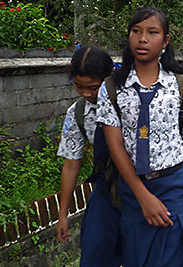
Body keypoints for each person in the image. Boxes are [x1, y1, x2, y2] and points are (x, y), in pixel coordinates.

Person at [96, 6, 183, 267]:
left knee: (172, 257)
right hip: (134, 189)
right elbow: (116, 147)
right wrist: (143, 197)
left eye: (152, 32)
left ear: (165, 41)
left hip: (176, 186)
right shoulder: (113, 88)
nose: (143, 39)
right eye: (136, 31)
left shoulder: (182, 85)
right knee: (139, 258)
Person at [56, 45, 121, 267]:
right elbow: (71, 164)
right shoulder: (78, 113)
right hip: (107, 188)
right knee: (95, 253)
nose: (86, 93)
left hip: (145, 184)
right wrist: (63, 214)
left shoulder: (131, 100)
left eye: (93, 87)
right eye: (78, 86)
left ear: (110, 77)